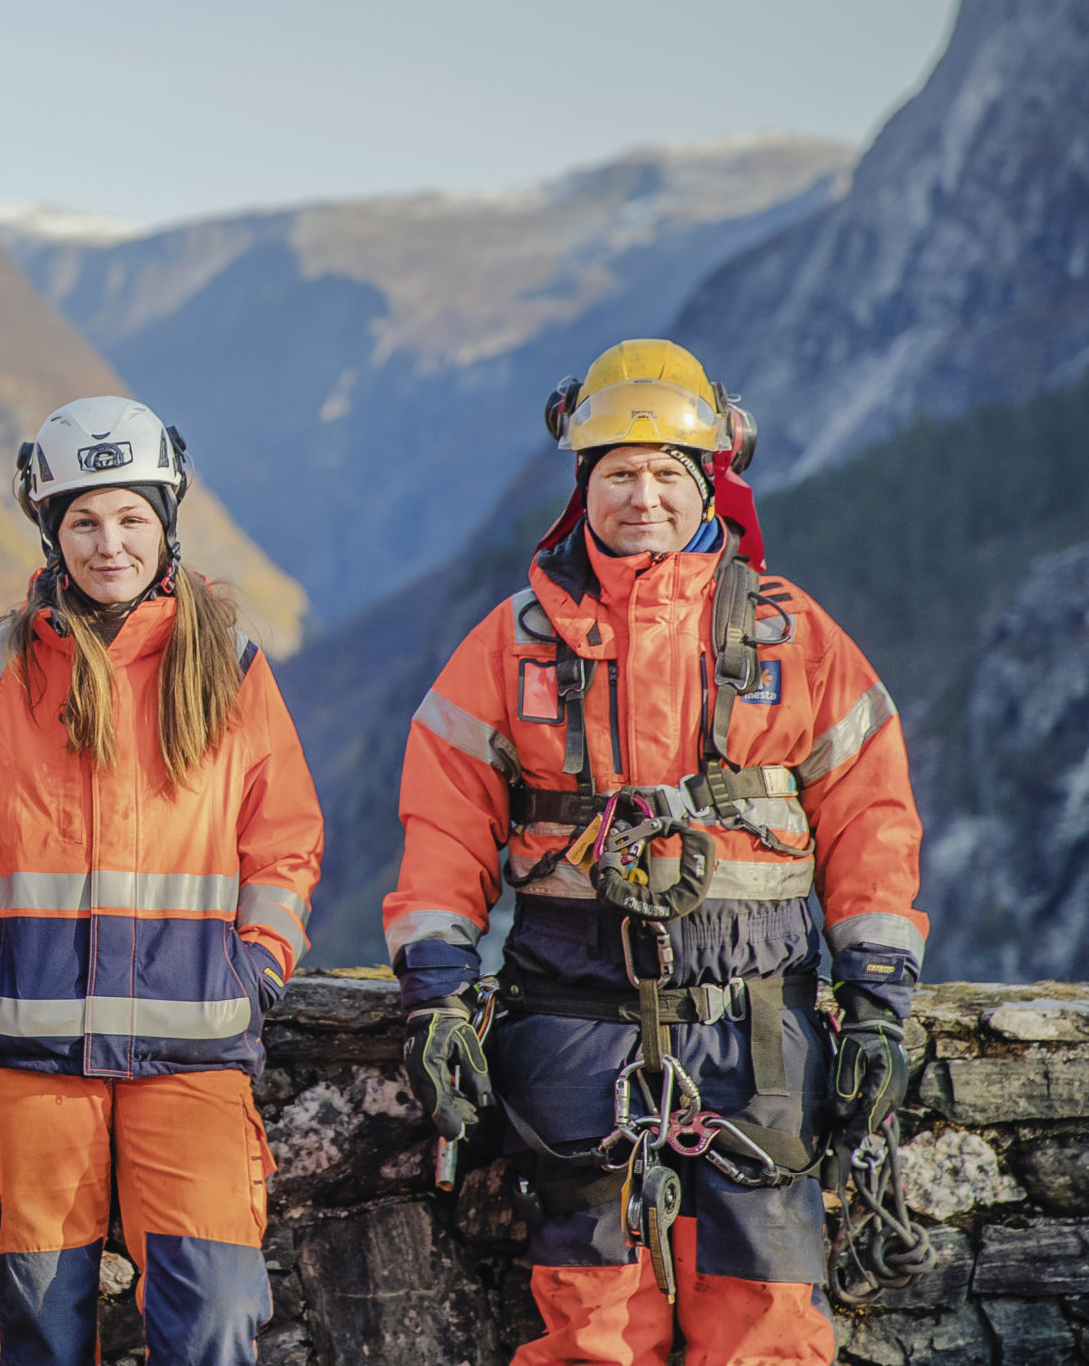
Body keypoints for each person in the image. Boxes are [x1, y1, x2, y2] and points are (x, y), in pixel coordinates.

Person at [386, 339, 926, 1365]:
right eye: (619, 474)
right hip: (570, 1028)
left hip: (759, 1031)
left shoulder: (792, 638)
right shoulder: (508, 645)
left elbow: (871, 822)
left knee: (763, 1327)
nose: (643, 497)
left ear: (708, 483)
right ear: (582, 486)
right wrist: (436, 999)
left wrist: (877, 1008)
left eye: (666, 475)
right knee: (592, 1329)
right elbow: (443, 830)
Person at [0, 395, 325, 1366]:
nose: (108, 543)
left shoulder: (229, 670)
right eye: (83, 520)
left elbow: (285, 841)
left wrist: (255, 968)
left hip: (196, 1055)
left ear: (165, 523)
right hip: (27, 1058)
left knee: (215, 1317)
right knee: (43, 1334)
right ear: (49, 529)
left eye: (130, 517)